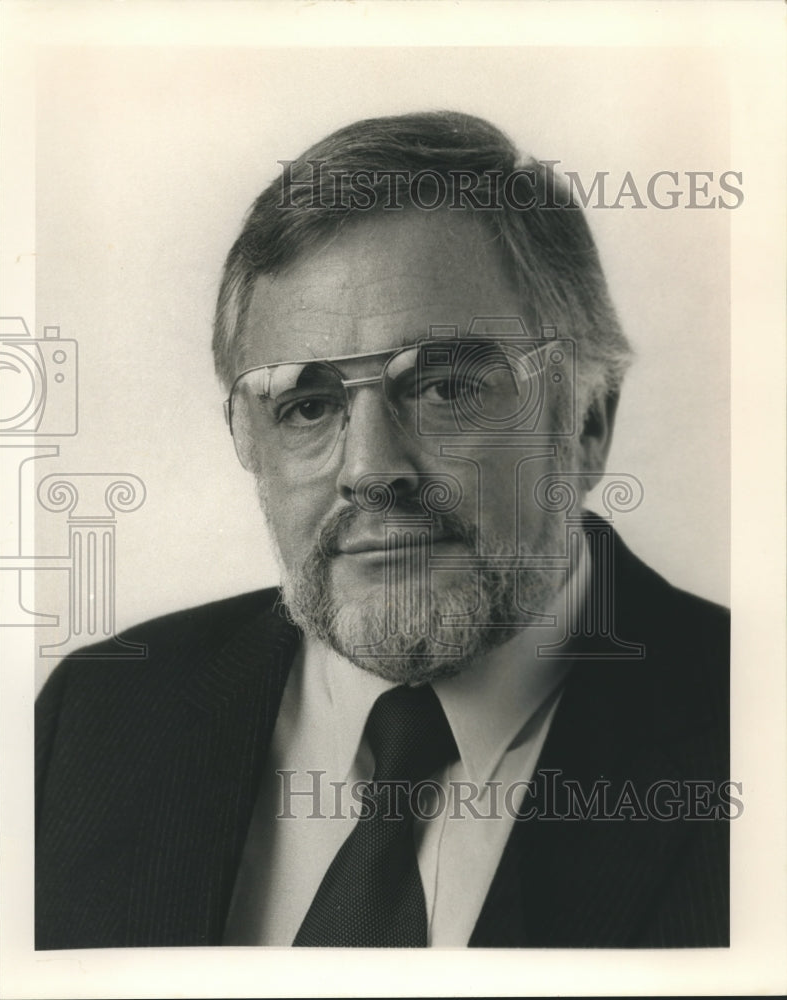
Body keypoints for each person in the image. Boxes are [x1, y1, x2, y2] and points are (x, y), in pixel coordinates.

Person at [35, 111, 730, 949]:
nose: (371, 469)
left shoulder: (751, 725)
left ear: (585, 422)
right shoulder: (96, 721)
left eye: (444, 388)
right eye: (308, 405)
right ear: (249, 445)